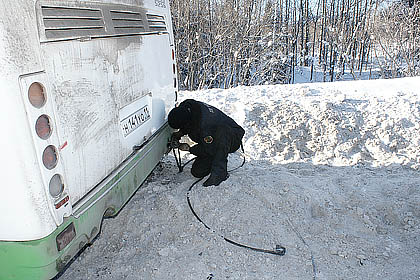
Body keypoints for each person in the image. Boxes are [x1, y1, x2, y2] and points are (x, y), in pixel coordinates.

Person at [168, 99, 245, 187]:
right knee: (198, 172)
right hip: (214, 137)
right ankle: (214, 158)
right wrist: (180, 133)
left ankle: (220, 173)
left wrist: (189, 149)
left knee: (221, 135)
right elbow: (189, 121)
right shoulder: (187, 107)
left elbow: (208, 149)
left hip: (232, 137)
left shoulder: (204, 125)